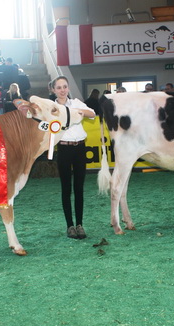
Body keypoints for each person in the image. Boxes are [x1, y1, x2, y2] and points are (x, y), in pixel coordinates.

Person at [50, 76, 96, 239]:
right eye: (59, 87)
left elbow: (93, 114)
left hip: (80, 148)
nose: (62, 90)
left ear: (68, 88)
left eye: (64, 86)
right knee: (66, 189)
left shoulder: (76, 103)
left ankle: (80, 225)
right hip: (63, 148)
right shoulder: (52, 108)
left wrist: (80, 112)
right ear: (54, 90)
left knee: (79, 188)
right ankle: (70, 226)